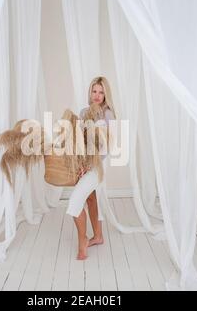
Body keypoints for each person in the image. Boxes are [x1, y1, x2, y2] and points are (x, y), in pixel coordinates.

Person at [66, 76, 116, 260]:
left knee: (74, 203)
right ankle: (98, 236)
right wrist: (80, 162)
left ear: (105, 95)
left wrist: (90, 164)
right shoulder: (83, 112)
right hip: (84, 165)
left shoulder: (108, 114)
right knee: (91, 199)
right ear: (90, 92)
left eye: (101, 92)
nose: (97, 95)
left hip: (98, 166)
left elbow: (108, 147)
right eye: (94, 91)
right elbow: (79, 140)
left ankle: (83, 242)